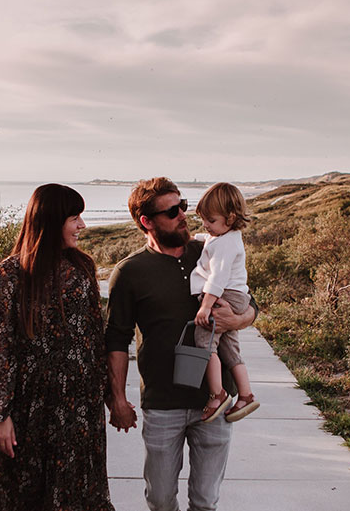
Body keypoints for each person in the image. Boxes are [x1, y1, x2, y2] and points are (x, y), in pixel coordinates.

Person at [105, 177, 258, 511]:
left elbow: (250, 304)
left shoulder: (210, 249)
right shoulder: (130, 271)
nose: (183, 215)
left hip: (214, 403)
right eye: (172, 211)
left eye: (183, 205)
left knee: (205, 501)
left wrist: (238, 320)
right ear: (147, 222)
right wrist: (117, 398)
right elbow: (116, 339)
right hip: (162, 403)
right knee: (160, 500)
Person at [0, 183, 114, 511]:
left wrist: (111, 396)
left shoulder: (83, 269)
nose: (82, 225)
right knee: (26, 492)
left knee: (78, 493)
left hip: (79, 407)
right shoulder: (10, 274)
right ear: (52, 221)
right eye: (74, 218)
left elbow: (95, 338)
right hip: (30, 406)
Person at [191, 182, 260, 423]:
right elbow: (209, 241)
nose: (206, 226)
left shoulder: (225, 244)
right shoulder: (224, 236)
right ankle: (246, 394)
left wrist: (206, 306)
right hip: (237, 296)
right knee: (230, 349)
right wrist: (196, 237)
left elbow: (217, 277)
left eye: (210, 220)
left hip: (225, 295)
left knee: (204, 341)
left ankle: (217, 394)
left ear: (230, 218)